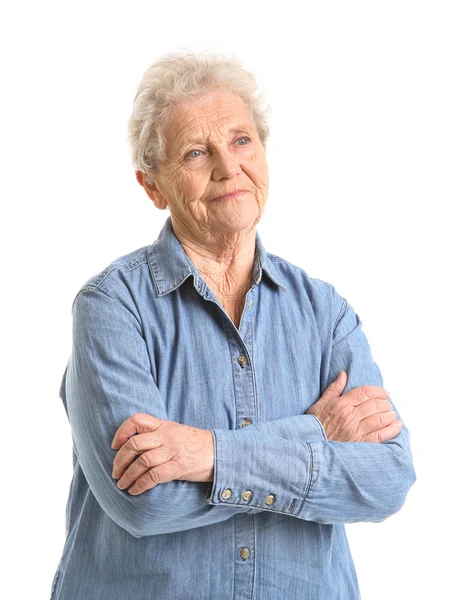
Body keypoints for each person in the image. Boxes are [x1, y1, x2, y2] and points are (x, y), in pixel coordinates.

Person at [50, 51, 416, 600]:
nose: (228, 167)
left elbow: (386, 479)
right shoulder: (111, 307)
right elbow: (145, 501)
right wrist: (315, 435)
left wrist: (207, 455)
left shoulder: (324, 311)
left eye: (242, 141)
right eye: (196, 152)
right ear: (153, 187)